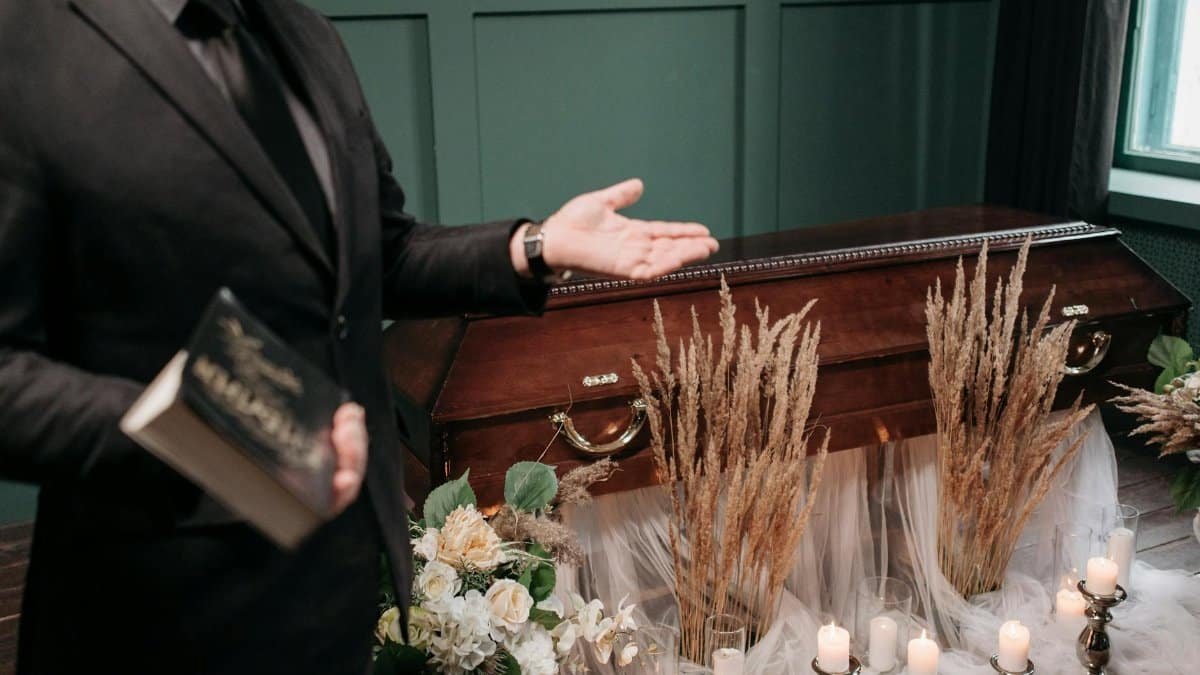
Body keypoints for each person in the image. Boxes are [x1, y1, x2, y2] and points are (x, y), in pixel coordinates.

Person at [0, 1, 718, 672]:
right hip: (154, 609)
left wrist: (535, 246)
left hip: (335, 586)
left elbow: (384, 251)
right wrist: (224, 433)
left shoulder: (302, 32)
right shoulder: (22, 40)